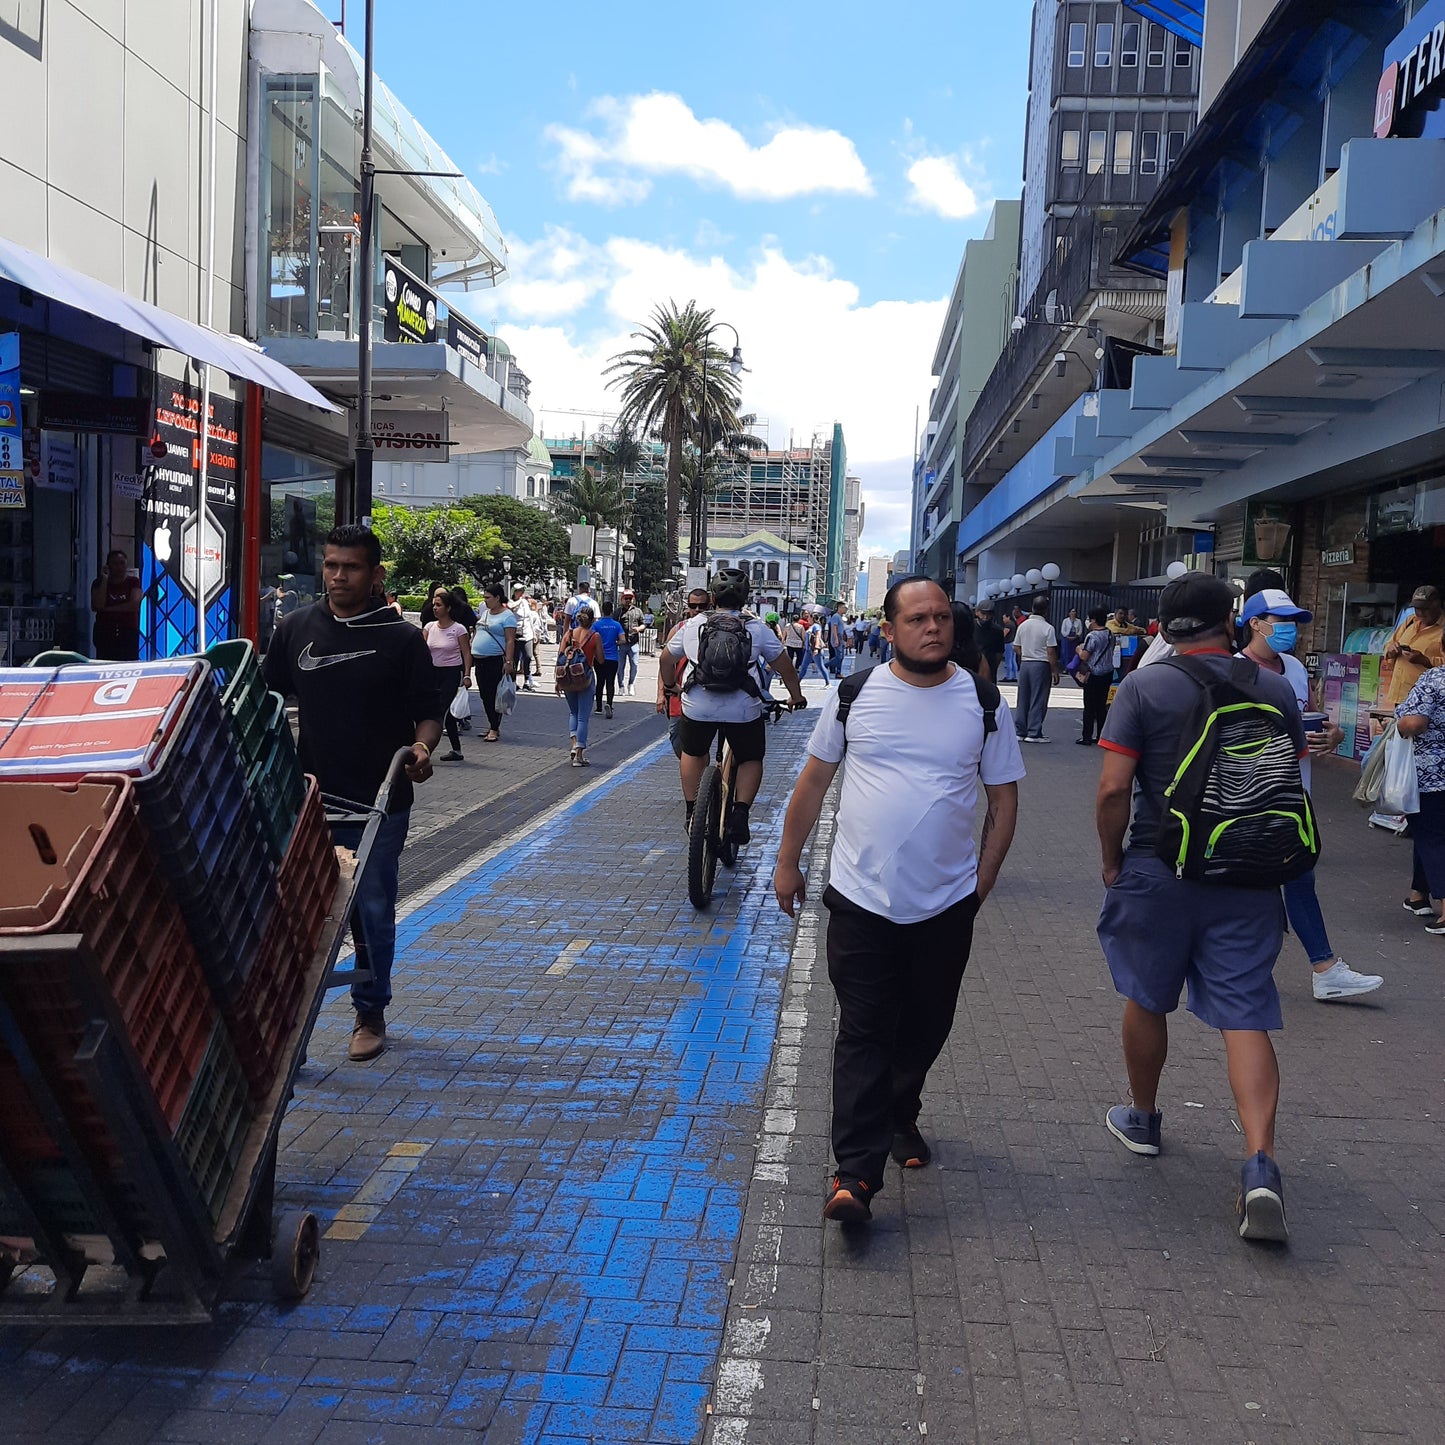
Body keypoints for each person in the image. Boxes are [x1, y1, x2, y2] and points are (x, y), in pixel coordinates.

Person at [774, 576, 1024, 1223]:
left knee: (925, 1023)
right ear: (889, 630)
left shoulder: (981, 700)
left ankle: (900, 1111)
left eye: (941, 616)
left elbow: (1002, 799)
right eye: (917, 617)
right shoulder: (856, 694)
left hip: (945, 903)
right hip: (860, 898)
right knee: (863, 1028)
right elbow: (812, 781)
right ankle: (853, 1174)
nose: (932, 626)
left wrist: (983, 882)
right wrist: (786, 860)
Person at [1094, 573, 1303, 1242]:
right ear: (1231, 620)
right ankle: (1258, 1161)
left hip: (1160, 865)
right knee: (1244, 1011)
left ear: (1163, 625)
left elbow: (1110, 790)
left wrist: (1110, 858)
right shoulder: (1272, 686)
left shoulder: (1143, 686)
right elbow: (1287, 773)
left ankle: (1145, 1118)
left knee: (1145, 993)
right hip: (1247, 871)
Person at [262, 525, 441, 1062]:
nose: (338, 576)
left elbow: (428, 714)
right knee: (295, 911)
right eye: (332, 565)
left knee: (370, 908)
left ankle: (370, 1010)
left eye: (352, 567)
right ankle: (287, 1023)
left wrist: (422, 750)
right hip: (309, 796)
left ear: (376, 574)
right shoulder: (296, 628)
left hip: (379, 801)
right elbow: (268, 700)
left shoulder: (402, 639)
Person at [1240, 586, 1383, 1000]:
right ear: (1255, 623)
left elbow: (1313, 717)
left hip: (1296, 795)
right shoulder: (1233, 670)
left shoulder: (1295, 668)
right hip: (1252, 794)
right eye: (1282, 622)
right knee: (1265, 881)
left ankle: (1320, 969)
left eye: (1295, 623)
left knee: (1297, 876)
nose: (1292, 631)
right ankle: (1316, 967)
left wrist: (1332, 735)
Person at [667, 568, 805, 844]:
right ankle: (740, 815)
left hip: (698, 705)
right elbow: (786, 669)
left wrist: (672, 686)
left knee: (693, 753)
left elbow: (664, 660)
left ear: (713, 596)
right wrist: (796, 697)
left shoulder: (692, 626)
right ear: (745, 597)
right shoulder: (757, 628)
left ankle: (693, 811)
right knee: (751, 757)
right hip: (742, 709)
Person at [658, 588, 711, 757]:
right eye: (693, 605)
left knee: (699, 742)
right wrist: (661, 693)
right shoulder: (678, 629)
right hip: (677, 693)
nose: (697, 610)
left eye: (702, 606)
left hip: (704, 694)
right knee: (675, 735)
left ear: (709, 605)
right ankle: (694, 770)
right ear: (687, 607)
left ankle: (700, 774)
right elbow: (665, 664)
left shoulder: (715, 629)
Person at [423, 586, 473, 763]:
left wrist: (467, 675)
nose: (435, 608)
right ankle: (456, 750)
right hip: (432, 673)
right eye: (434, 605)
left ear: (448, 608)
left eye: (439, 605)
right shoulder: (429, 627)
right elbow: (421, 651)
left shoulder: (458, 629)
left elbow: (466, 653)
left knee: (442, 710)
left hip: (451, 672)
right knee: (445, 714)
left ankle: (425, 749)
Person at [1383, 585, 1445, 709]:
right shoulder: (1410, 621)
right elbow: (1389, 644)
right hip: (1401, 697)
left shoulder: (1443, 629)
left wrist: (1426, 661)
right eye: (1417, 608)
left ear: (1437, 604)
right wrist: (1391, 650)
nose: (1420, 613)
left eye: (1425, 608)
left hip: (1427, 701)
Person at [471, 584, 517, 742]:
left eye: (488, 598)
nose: (485, 601)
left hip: (495, 660)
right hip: (480, 660)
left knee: (493, 695)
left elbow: (510, 640)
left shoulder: (507, 616)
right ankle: (491, 724)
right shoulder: (485, 614)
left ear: (497, 598)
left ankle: (494, 728)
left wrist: (509, 661)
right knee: (484, 695)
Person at [559, 604, 602, 765]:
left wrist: (558, 682)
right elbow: (601, 659)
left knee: (573, 713)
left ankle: (573, 745)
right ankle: (579, 755)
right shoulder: (594, 636)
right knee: (583, 717)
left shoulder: (568, 634)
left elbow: (560, 657)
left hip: (568, 678)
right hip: (585, 678)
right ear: (592, 620)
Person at [1013, 596, 1060, 743]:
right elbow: (1051, 652)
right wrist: (1055, 671)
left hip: (1026, 663)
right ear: (1046, 610)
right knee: (1038, 698)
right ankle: (1034, 732)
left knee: (1023, 697)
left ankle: (1020, 731)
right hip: (1041, 664)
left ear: (1033, 608)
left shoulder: (1023, 626)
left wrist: (1026, 654)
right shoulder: (1048, 628)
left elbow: (1016, 647)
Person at [91, 549, 143, 661]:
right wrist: (105, 580)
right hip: (105, 632)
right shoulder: (98, 583)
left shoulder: (133, 582)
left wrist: (108, 609)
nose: (119, 567)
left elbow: (134, 605)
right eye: (115, 564)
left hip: (127, 632)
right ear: (108, 566)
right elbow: (97, 605)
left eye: (122, 563)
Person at [1076, 607, 1115, 745]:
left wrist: (1079, 649)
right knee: (1101, 706)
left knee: (1089, 707)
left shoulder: (1092, 636)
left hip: (1093, 674)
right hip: (1107, 672)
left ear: (1093, 620)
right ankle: (1100, 736)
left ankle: (1086, 736)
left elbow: (1085, 656)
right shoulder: (1110, 634)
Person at [591, 600, 625, 718]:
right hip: (613, 658)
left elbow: (591, 638)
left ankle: (599, 707)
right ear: (611, 610)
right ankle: (609, 704)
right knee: (610, 682)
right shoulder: (616, 625)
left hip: (599, 657)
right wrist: (615, 643)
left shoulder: (596, 625)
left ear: (602, 610)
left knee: (600, 681)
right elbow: (623, 640)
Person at [510, 584, 538, 691]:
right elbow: (511, 607)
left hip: (527, 634)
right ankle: (513, 682)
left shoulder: (525, 602)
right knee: (515, 660)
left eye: (522, 591)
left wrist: (534, 633)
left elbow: (529, 618)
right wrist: (519, 601)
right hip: (515, 635)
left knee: (528, 657)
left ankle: (526, 681)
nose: (521, 593)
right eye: (519, 591)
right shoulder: (512, 602)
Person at [973, 600, 1005, 683]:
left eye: (989, 614)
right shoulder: (970, 627)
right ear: (977, 612)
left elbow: (999, 653)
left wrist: (993, 668)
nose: (986, 617)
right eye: (983, 613)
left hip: (989, 668)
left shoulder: (997, 631)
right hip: (972, 667)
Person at [619, 591, 645, 696]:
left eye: (630, 598)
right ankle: (621, 686)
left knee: (634, 665)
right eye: (626, 598)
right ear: (622, 599)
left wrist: (638, 629)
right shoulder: (618, 612)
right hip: (621, 644)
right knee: (620, 666)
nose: (628, 600)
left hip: (634, 643)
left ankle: (631, 684)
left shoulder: (638, 611)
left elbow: (643, 624)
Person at [799, 613, 830, 685]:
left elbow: (818, 637)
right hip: (808, 650)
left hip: (815, 650)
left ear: (813, 618)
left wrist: (816, 648)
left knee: (821, 666)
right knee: (803, 666)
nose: (807, 619)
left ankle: (828, 682)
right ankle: (798, 681)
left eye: (809, 617)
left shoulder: (816, 626)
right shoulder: (811, 626)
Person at [1059, 607, 1084, 672]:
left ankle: (1073, 668)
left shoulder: (1078, 621)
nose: (1074, 613)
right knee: (1066, 653)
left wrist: (1076, 636)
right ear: (1069, 613)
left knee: (1073, 653)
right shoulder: (1065, 620)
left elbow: (1080, 630)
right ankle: (1066, 668)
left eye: (1074, 611)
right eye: (1072, 611)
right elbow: (1063, 630)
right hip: (1066, 638)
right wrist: (1067, 636)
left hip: (1075, 638)